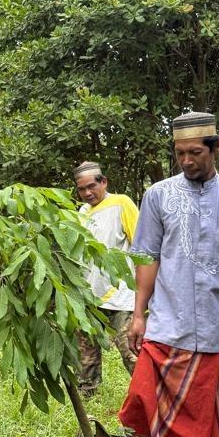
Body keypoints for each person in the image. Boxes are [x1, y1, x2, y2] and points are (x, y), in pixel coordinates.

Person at [119, 112, 219, 437]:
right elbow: (147, 255)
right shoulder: (157, 195)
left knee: (212, 417)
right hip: (166, 323)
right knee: (145, 403)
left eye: (196, 152)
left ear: (216, 148)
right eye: (180, 154)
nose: (187, 161)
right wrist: (138, 314)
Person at [74, 161, 140, 396]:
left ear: (104, 182)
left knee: (132, 350)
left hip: (122, 295)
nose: (87, 193)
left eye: (92, 186)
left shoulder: (121, 204)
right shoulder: (81, 214)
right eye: (81, 189)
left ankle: (148, 393)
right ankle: (87, 392)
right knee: (86, 354)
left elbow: (142, 248)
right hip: (89, 296)